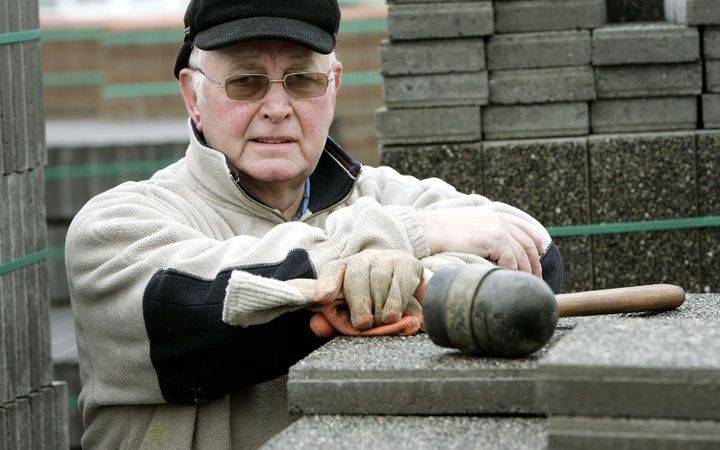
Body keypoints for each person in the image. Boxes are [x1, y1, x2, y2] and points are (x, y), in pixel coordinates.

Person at [64, 0, 564, 448]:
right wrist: (411, 242)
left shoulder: (384, 195)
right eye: (245, 82)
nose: (277, 108)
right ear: (193, 97)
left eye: (303, 80)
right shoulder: (114, 227)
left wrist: (394, 270)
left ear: (334, 88)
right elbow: (212, 306)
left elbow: (531, 252)